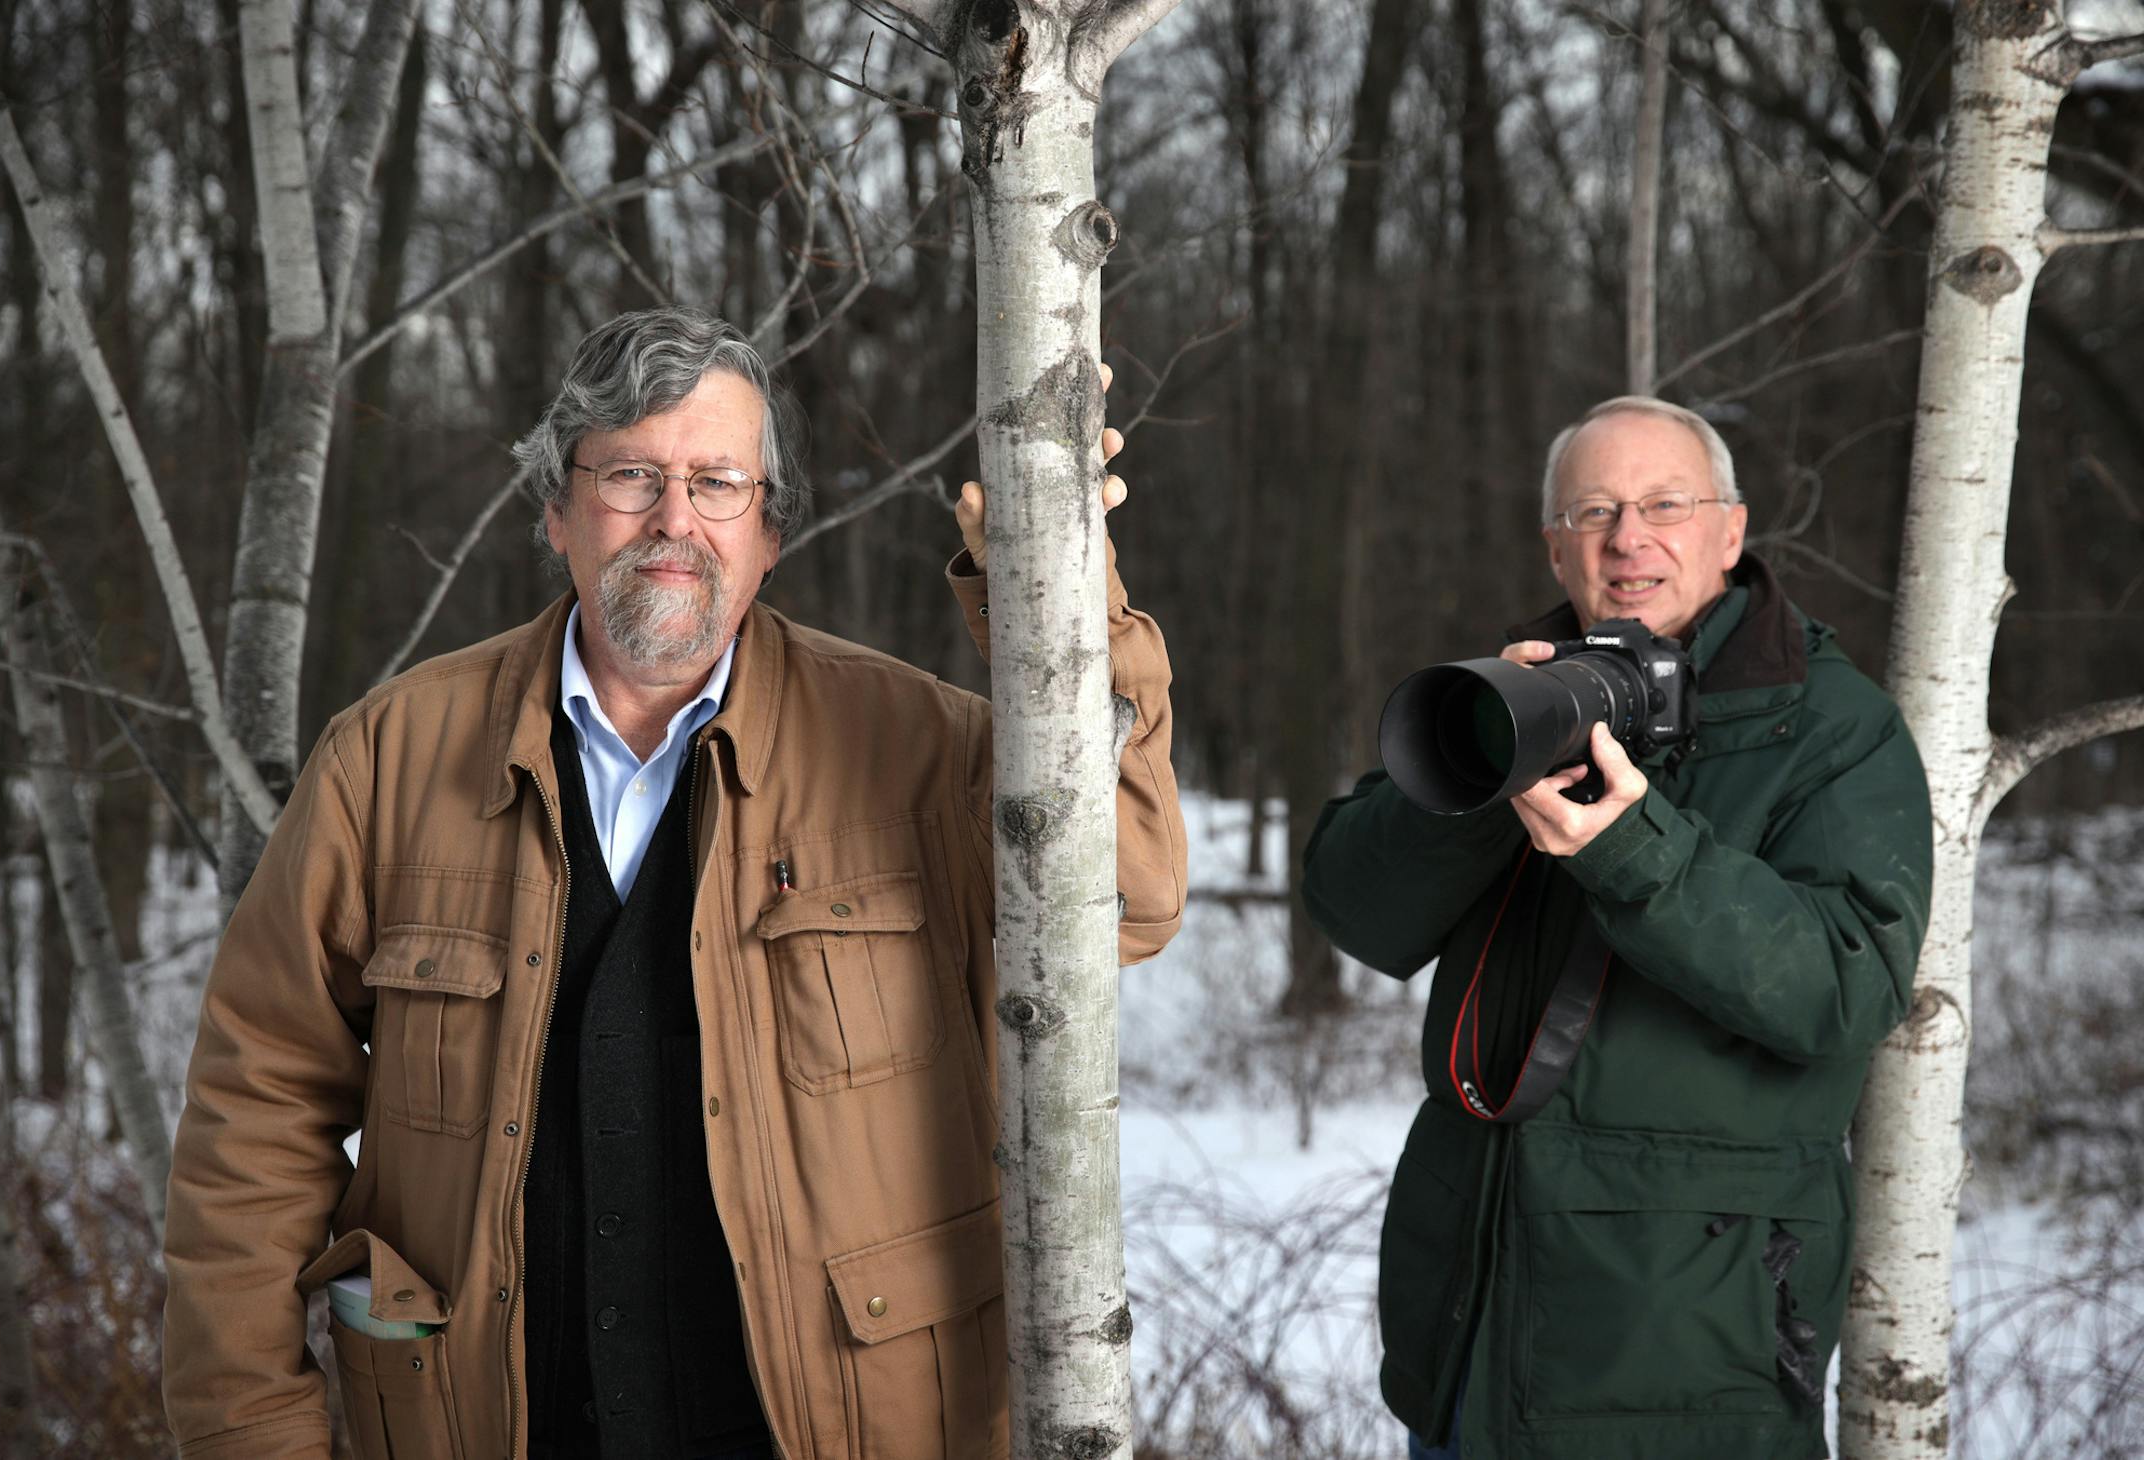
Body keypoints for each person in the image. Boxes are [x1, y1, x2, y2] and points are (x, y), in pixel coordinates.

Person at [161, 306, 1186, 1460]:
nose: (674, 522)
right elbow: (253, 1117)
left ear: (771, 530)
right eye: (630, 476)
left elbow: (1124, 900)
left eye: (718, 482)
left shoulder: (918, 751)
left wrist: (1062, 606)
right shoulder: (386, 763)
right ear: (554, 511)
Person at [1303, 396, 1933, 1460]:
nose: (1627, 537)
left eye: (1663, 505)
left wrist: (1631, 845)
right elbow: (1354, 906)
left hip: (1685, 1355)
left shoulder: (1830, 725)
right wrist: (1482, 767)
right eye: (1592, 510)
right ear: (1556, 545)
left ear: (1731, 531)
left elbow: (1844, 983)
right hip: (1468, 1345)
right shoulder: (1522, 688)